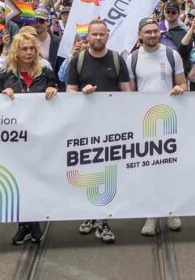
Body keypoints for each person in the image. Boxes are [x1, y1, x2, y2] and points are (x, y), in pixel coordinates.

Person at [66, 19, 131, 244]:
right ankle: (89, 214)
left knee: (107, 173)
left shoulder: (117, 59)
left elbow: (127, 92)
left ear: (107, 36)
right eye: (94, 34)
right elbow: (69, 91)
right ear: (88, 36)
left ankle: (103, 220)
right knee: (88, 173)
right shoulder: (79, 60)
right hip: (85, 128)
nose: (97, 38)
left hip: (111, 128)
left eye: (101, 34)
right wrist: (82, 94)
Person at [0, 30, 58, 246]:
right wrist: (2, 96)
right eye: (24, 49)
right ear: (16, 51)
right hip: (15, 139)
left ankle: (31, 222)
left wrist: (53, 89)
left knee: (36, 178)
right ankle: (26, 224)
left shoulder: (46, 72)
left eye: (32, 48)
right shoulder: (5, 75)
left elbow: (58, 96)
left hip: (40, 137)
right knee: (18, 180)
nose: (29, 52)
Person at [128, 18, 187, 237]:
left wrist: (180, 89)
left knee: (169, 166)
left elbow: (182, 82)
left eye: (155, 31)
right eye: (148, 32)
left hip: (170, 120)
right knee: (150, 170)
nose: (153, 35)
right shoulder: (132, 59)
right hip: (145, 123)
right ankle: (152, 214)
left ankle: (171, 210)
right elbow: (131, 93)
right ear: (140, 35)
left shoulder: (172, 55)